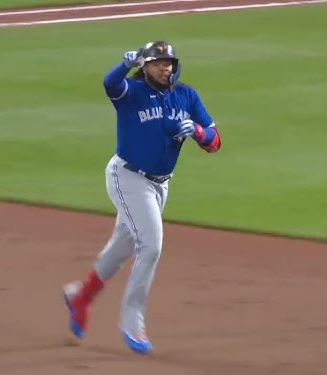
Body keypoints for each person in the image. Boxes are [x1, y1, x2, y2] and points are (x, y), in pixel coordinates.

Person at [62, 40, 222, 355]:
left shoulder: (187, 96)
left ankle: (81, 297)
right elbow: (110, 84)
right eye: (159, 62)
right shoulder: (131, 93)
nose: (166, 68)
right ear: (145, 66)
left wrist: (199, 134)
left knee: (122, 247)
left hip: (160, 185)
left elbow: (215, 142)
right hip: (127, 176)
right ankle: (132, 320)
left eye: (170, 62)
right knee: (151, 244)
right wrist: (125, 64)